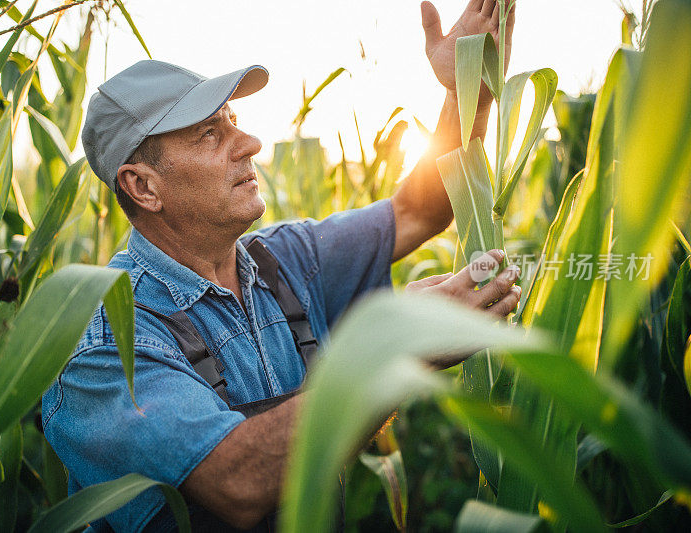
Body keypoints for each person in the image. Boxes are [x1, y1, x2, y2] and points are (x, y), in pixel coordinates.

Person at [41, 1, 519, 531]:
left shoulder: (287, 261)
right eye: (210, 135)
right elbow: (236, 479)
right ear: (143, 186)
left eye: (234, 122)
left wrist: (466, 86)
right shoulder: (107, 341)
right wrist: (398, 349)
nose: (250, 144)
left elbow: (419, 209)